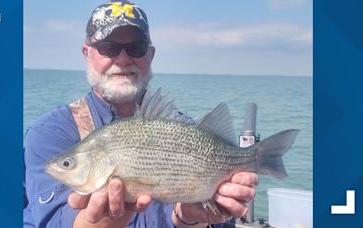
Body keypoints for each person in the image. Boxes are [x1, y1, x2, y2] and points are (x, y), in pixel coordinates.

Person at [23, 1, 258, 227]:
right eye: (108, 47)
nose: (124, 59)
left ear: (151, 55)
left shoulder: (183, 127)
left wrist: (191, 218)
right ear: (87, 53)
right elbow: (51, 221)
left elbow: (210, 220)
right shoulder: (49, 133)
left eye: (136, 48)